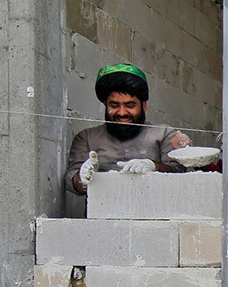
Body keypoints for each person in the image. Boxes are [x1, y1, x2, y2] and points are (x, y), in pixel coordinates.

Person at [66, 64, 191, 195]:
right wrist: (81, 178)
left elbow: (179, 172)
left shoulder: (164, 134)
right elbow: (71, 182)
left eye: (130, 105)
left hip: (155, 212)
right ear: (105, 104)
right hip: (101, 213)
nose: (122, 112)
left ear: (144, 105)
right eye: (114, 105)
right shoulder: (86, 138)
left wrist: (153, 166)